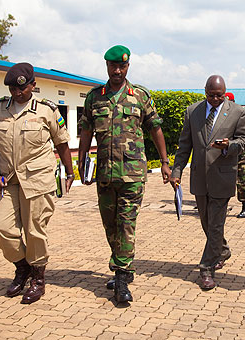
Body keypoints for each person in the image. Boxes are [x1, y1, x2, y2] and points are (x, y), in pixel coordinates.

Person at [78, 45, 171, 303]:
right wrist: (81, 158)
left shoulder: (139, 95)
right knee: (111, 226)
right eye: (113, 66)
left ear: (128, 66)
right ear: (106, 66)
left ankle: (120, 278)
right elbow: (86, 130)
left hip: (132, 174)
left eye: (122, 66)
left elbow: (155, 128)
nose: (117, 70)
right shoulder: (94, 98)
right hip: (105, 174)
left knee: (126, 225)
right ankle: (124, 266)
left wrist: (165, 162)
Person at [0, 62, 74, 304]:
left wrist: (69, 171)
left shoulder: (46, 111)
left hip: (37, 179)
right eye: (12, 88)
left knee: (35, 231)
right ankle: (22, 266)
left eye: (21, 88)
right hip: (7, 180)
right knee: (0, 227)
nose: (17, 92)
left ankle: (38, 278)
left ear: (33, 85)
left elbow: (62, 143)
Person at [170, 75, 245, 290]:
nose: (215, 99)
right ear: (205, 91)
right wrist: (176, 171)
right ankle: (221, 250)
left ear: (225, 92)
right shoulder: (192, 111)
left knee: (216, 224)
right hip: (200, 177)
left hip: (223, 175)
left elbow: (244, 141)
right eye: (211, 95)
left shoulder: (237, 112)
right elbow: (184, 145)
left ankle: (206, 268)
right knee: (206, 221)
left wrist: (228, 145)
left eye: (220, 96)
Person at [225, 92, 245, 218]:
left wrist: (237, 143)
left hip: (241, 155)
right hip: (226, 154)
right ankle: (222, 207)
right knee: (223, 181)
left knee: (242, 182)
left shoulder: (241, 115)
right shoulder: (222, 115)